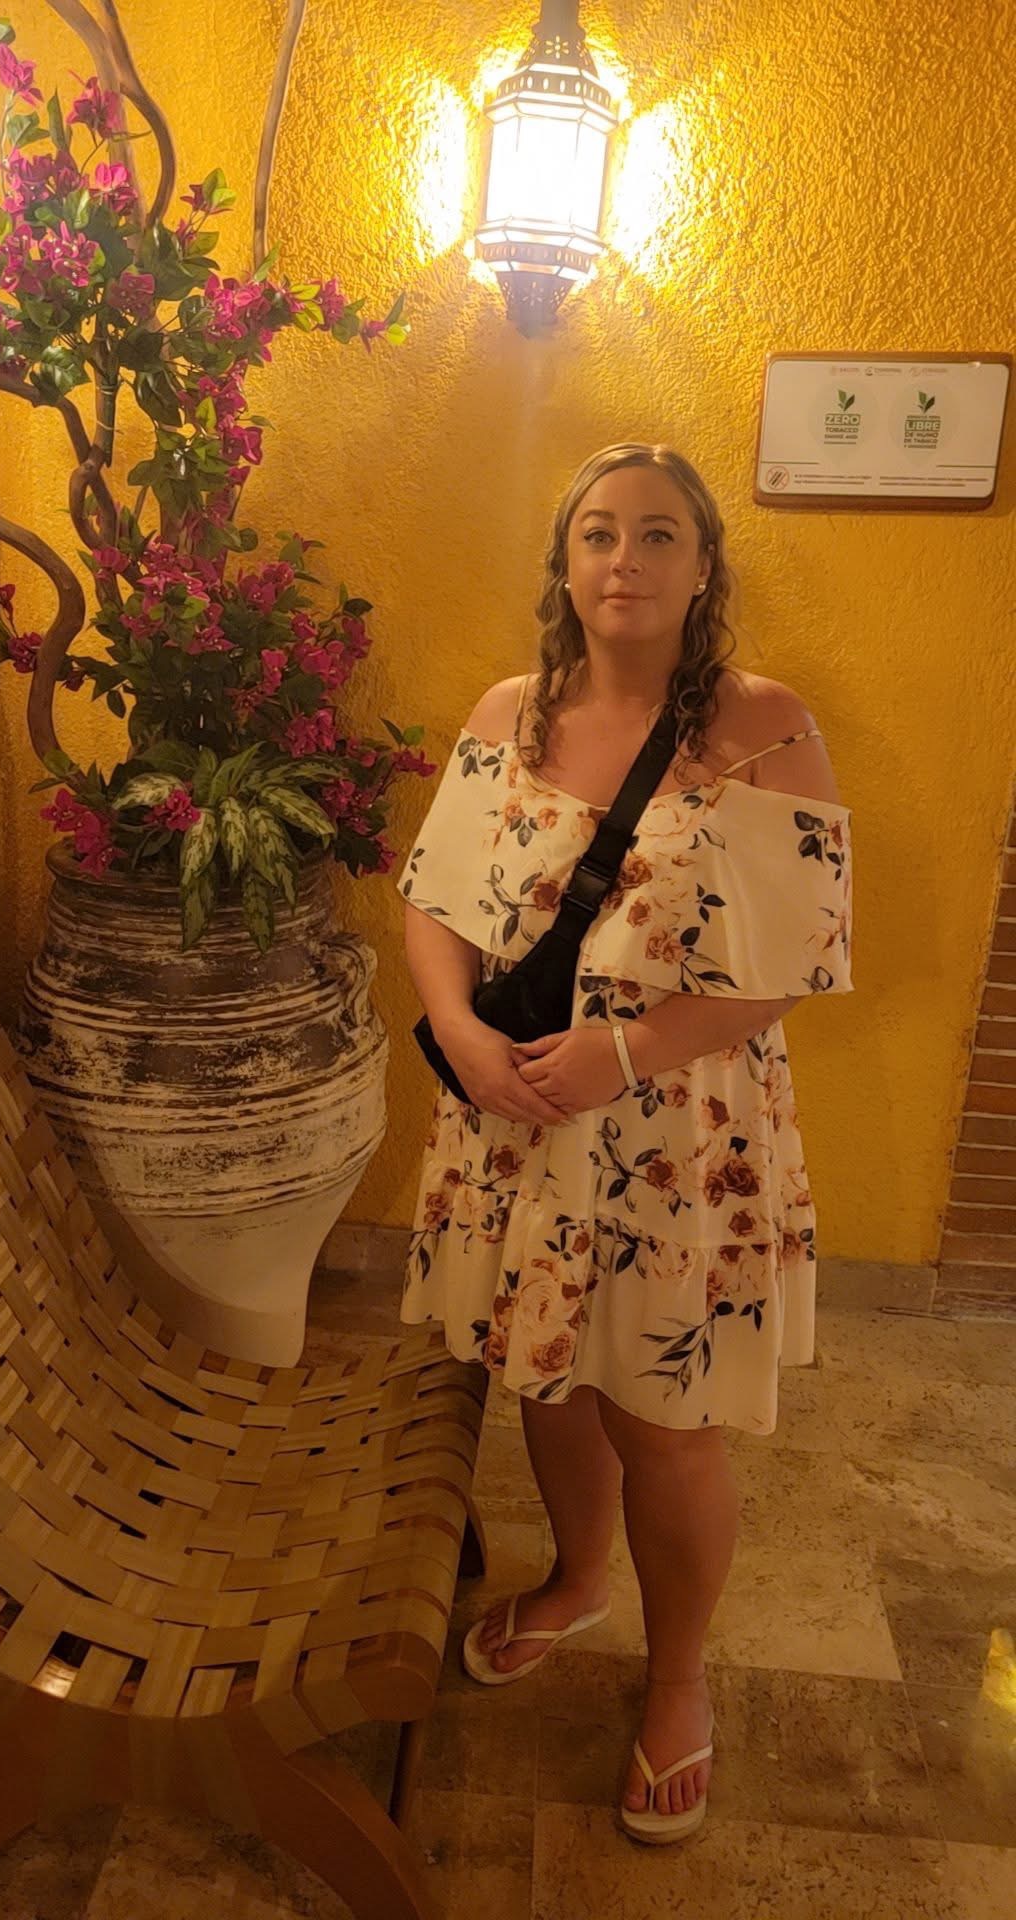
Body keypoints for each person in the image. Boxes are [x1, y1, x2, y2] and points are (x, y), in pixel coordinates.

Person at [397, 443, 853, 1844]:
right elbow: (436, 902)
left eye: (659, 535)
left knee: (665, 1420)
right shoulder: (511, 713)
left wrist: (630, 1049)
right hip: (521, 1116)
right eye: (599, 533)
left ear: (704, 565)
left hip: (677, 1134)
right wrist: (459, 1030)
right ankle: (577, 1579)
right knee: (548, 1380)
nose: (625, 561)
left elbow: (799, 960)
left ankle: (677, 1680)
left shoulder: (766, 726)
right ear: (566, 560)